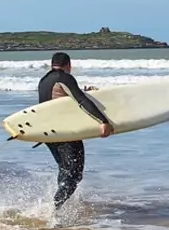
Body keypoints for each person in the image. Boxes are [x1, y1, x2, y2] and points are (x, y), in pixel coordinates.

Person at [39, 52, 113, 207]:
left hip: (48, 132)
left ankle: (58, 207)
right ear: (69, 65)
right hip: (64, 132)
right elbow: (81, 100)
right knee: (74, 174)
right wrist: (103, 121)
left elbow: (62, 99)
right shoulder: (64, 77)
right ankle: (56, 210)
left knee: (66, 170)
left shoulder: (44, 80)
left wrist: (88, 91)